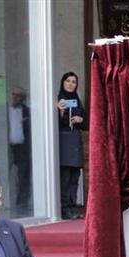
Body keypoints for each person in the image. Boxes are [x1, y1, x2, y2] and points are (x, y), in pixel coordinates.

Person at [57, 72, 86, 220]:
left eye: (73, 82)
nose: (70, 84)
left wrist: (80, 119)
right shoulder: (58, 100)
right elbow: (54, 124)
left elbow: (86, 123)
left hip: (75, 142)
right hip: (63, 142)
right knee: (65, 178)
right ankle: (64, 208)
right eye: (68, 81)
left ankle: (73, 208)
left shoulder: (77, 101)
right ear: (63, 82)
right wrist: (60, 111)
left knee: (75, 177)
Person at [9, 86, 31, 212]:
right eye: (14, 94)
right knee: (6, 174)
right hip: (7, 147)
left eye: (19, 96)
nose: (15, 97)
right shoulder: (4, 110)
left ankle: (22, 203)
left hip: (22, 147)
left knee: (23, 176)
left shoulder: (27, 111)